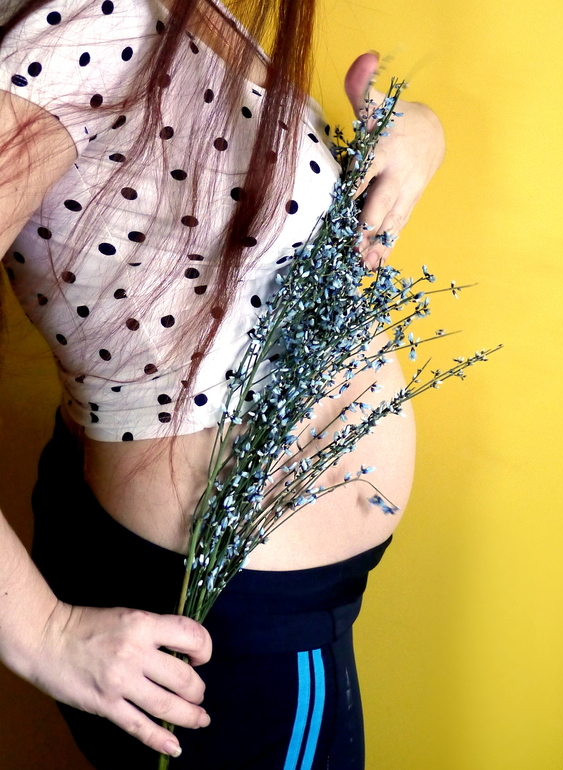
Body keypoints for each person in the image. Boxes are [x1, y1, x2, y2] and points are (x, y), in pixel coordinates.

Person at [0, 0, 444, 766]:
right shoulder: (80, 25)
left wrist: (416, 135)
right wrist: (43, 633)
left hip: (238, 599)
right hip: (223, 622)